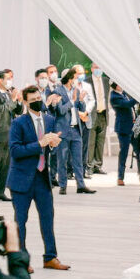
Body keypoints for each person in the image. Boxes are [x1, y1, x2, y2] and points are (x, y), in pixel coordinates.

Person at [7, 85, 70, 271]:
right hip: (21, 179)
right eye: (32, 99)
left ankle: (50, 257)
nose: (37, 101)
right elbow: (15, 151)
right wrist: (39, 144)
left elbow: (49, 147)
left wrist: (52, 145)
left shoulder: (49, 120)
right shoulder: (18, 123)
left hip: (42, 177)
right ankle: (21, 260)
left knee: (48, 218)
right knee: (21, 221)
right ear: (25, 102)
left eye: (38, 97)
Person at [54, 68, 96, 196]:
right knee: (62, 159)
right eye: (74, 78)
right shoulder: (58, 91)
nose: (76, 80)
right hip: (63, 130)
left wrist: (81, 101)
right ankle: (63, 186)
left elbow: (81, 108)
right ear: (69, 78)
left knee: (78, 160)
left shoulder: (76, 91)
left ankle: (81, 185)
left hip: (76, 129)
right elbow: (60, 110)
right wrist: (72, 101)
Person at [0, 69, 23, 201]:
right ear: (0, 80)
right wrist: (13, 99)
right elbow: (2, 110)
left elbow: (18, 111)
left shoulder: (9, 93)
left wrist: (19, 101)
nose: (10, 81)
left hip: (10, 133)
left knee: (6, 166)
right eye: (8, 78)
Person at [110, 83, 136, 185]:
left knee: (139, 151)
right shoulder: (114, 97)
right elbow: (128, 104)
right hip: (124, 128)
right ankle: (120, 177)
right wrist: (138, 98)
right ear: (116, 86)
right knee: (124, 153)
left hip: (134, 127)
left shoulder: (124, 93)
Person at [88, 63, 109, 175]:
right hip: (92, 114)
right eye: (96, 67)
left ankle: (98, 165)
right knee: (91, 142)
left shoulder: (106, 81)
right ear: (91, 69)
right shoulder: (87, 81)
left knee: (100, 142)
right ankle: (90, 166)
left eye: (100, 67)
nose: (98, 69)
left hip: (103, 114)